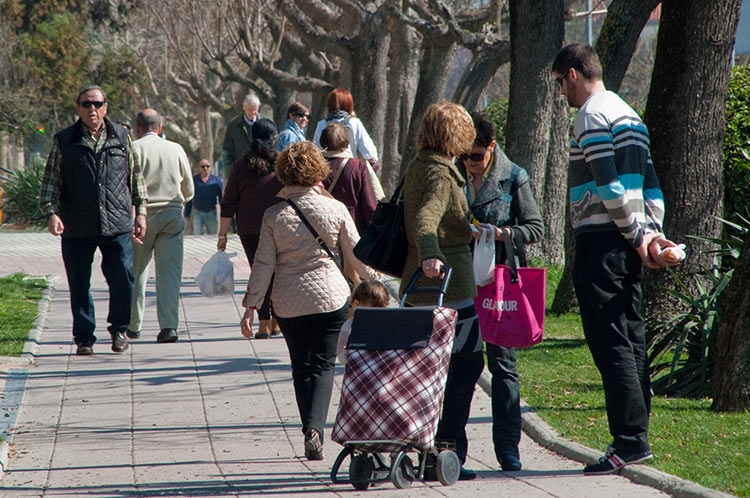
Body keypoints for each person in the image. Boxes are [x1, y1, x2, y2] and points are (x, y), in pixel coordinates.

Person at [552, 43, 681, 475]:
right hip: (628, 241)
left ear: (572, 74)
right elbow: (652, 187)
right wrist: (651, 237)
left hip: (604, 241)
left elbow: (609, 187)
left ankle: (628, 440)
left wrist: (635, 236)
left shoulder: (590, 115)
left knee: (610, 342)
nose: (562, 93)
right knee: (631, 336)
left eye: (560, 83)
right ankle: (637, 434)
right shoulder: (630, 114)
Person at [240, 141, 377, 461]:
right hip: (331, 299)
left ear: (283, 173)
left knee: (301, 366)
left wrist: (251, 306)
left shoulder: (273, 215)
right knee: (324, 365)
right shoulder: (336, 208)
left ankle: (308, 430)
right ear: (319, 171)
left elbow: (264, 264)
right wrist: (376, 282)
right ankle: (316, 429)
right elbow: (356, 255)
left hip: (288, 303)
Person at [458, 112, 545, 472]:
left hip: (499, 285)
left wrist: (501, 233)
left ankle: (508, 447)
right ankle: (452, 448)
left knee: (503, 367)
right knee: (460, 365)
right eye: (464, 155)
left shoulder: (513, 177)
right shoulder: (454, 173)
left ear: (492, 148)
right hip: (462, 282)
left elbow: (536, 228)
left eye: (476, 156)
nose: (469, 163)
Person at [399, 101, 481, 480]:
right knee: (465, 367)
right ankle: (447, 450)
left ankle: (421, 444)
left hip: (415, 287)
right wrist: (433, 254)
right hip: (449, 286)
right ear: (454, 135)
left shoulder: (418, 166)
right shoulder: (442, 175)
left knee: (422, 370)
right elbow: (425, 218)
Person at [39, 85, 148, 355]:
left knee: (123, 277)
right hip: (77, 225)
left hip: (117, 222)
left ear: (106, 107)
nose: (92, 109)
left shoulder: (121, 136)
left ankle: (120, 329)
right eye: (86, 104)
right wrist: (52, 213)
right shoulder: (65, 140)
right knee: (79, 282)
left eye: (97, 104)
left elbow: (136, 178)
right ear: (77, 108)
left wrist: (141, 211)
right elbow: (51, 181)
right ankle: (84, 337)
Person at [128, 109, 194, 344]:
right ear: (160, 127)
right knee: (169, 275)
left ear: (137, 128)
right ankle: (168, 327)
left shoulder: (132, 148)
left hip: (140, 216)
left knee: (137, 271)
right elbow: (189, 189)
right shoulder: (175, 149)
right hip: (171, 214)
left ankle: (133, 325)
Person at [218, 118, 283, 338]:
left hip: (249, 228)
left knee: (259, 272)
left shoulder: (239, 166)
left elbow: (228, 202)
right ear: (274, 137)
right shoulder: (282, 164)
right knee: (277, 272)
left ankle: (264, 323)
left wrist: (222, 234)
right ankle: (276, 322)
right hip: (279, 226)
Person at [319, 122, 378, 289]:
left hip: (320, 229)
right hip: (352, 228)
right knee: (353, 280)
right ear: (346, 142)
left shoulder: (315, 167)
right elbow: (369, 205)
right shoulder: (357, 166)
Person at [312, 88, 381, 172]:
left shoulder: (322, 124)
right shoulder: (355, 123)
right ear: (348, 104)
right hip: (349, 169)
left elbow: (315, 151)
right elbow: (369, 152)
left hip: (326, 171)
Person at [335, 279, 390, 365]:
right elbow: (341, 350)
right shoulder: (349, 326)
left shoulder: (385, 325)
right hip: (361, 368)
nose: (376, 316)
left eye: (381, 312)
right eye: (372, 312)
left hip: (377, 368)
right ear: (357, 304)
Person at [221, 92, 261, 178]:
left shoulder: (265, 125)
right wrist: (230, 174)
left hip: (260, 173)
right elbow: (227, 152)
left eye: (255, 109)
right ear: (244, 107)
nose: (253, 112)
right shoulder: (233, 126)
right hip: (240, 174)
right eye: (250, 109)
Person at [185, 159, 223, 235]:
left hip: (211, 213)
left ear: (210, 168)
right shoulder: (194, 181)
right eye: (203, 167)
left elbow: (221, 198)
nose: (205, 168)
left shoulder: (216, 181)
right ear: (199, 168)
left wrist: (224, 213)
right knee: (197, 237)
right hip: (198, 213)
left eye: (207, 166)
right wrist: (187, 214)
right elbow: (190, 197)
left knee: (212, 237)